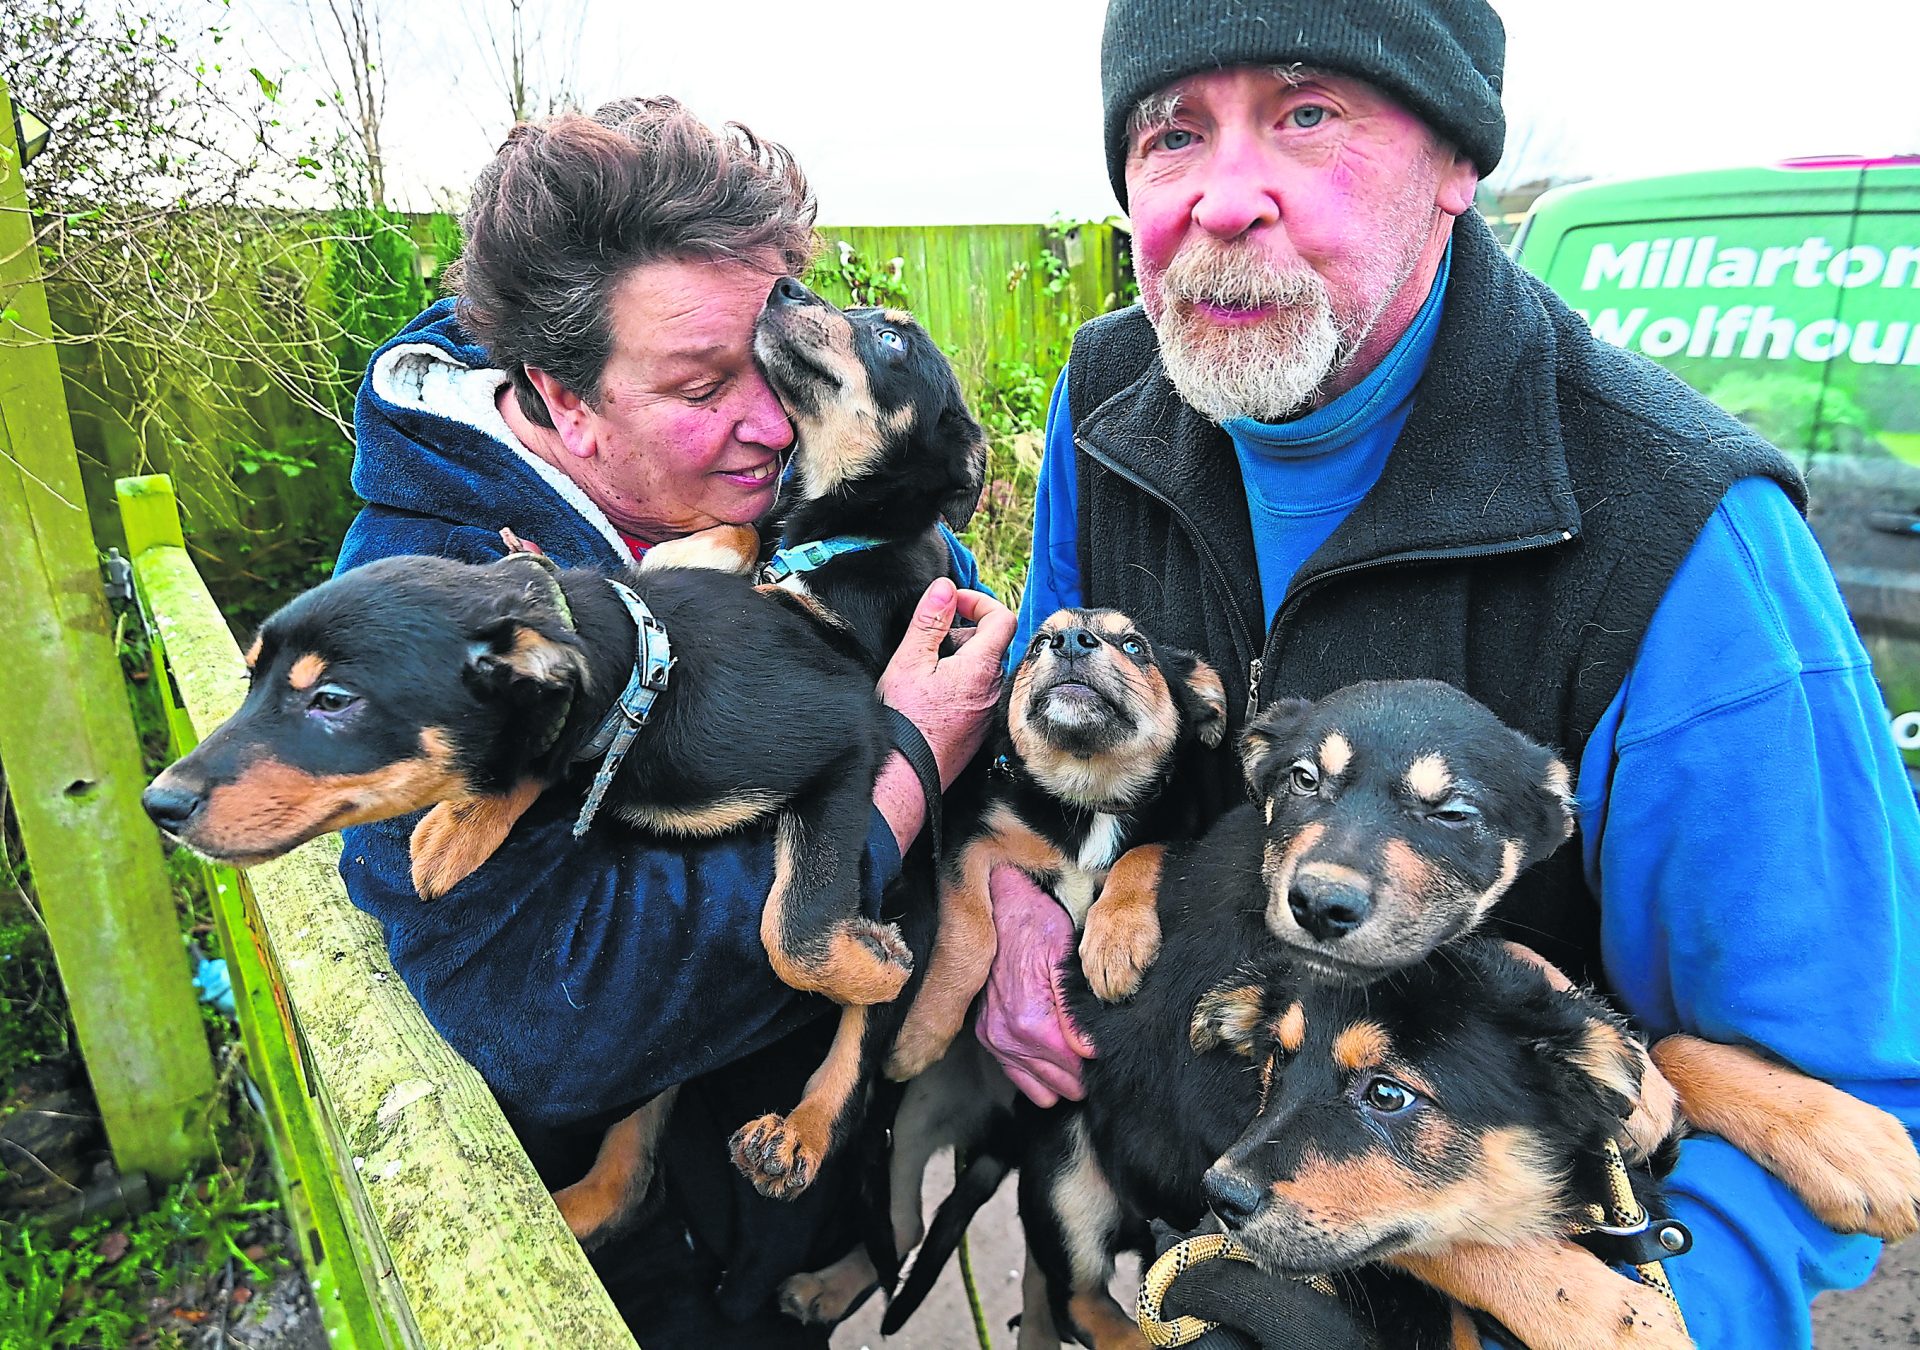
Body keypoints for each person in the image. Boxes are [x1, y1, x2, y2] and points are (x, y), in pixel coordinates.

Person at [973, 3, 1920, 1346]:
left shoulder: (1683, 537)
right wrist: (1021, 899)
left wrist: (1644, 1311)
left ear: (1459, 160)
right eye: (1172, 130)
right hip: (1161, 1211)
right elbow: (1047, 716)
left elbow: (1836, 1090)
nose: (1225, 197)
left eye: (1308, 114)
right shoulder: (1110, 397)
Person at [334, 96, 1014, 1346]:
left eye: (773, 364)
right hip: (639, 1261)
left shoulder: (799, 501)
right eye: (704, 386)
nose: (769, 423)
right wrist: (903, 771)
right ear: (562, 392)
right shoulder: (423, 626)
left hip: (807, 1162)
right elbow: (559, 1008)